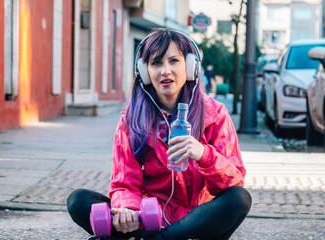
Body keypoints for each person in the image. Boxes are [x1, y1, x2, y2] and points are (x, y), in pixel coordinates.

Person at [67, 28, 251, 240]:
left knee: (239, 198)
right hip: (150, 217)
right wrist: (127, 209)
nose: (165, 71)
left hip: (198, 220)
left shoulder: (215, 113)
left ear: (190, 67)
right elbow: (125, 181)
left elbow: (233, 180)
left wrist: (204, 155)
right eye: (156, 63)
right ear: (144, 71)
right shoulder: (132, 119)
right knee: (79, 201)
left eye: (174, 61)